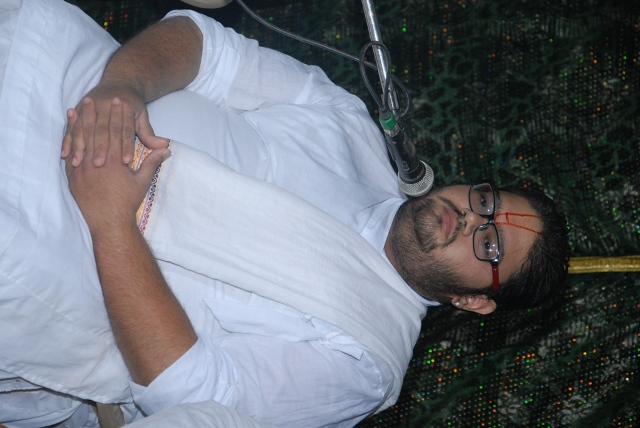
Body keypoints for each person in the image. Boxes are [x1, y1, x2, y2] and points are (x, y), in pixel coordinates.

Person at [0, 0, 570, 426]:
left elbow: (192, 393)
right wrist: (123, 86)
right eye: (487, 202)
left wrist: (111, 225)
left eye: (490, 245)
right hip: (51, 70)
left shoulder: (367, 359)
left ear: (474, 301)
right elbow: (208, 46)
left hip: (36, 237)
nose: (471, 219)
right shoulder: (349, 122)